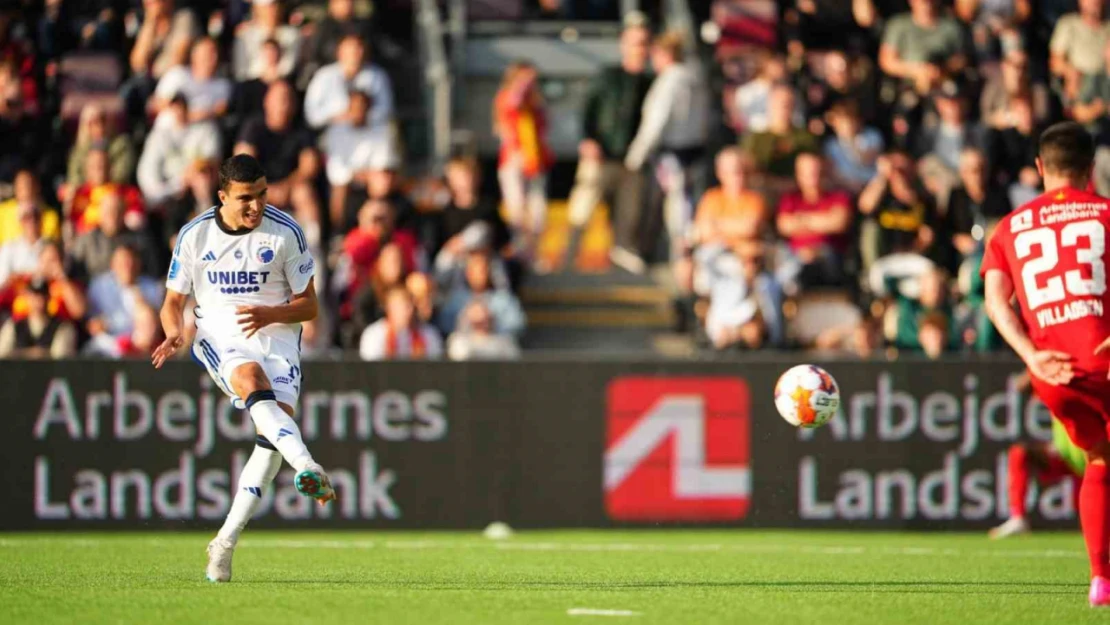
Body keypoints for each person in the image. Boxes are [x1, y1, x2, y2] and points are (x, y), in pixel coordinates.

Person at [151, 155, 334, 583]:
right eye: (246, 199)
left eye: (262, 195)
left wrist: (272, 313)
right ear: (223, 197)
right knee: (251, 382)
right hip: (219, 334)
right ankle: (308, 466)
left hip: (278, 335)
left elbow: (309, 304)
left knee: (271, 438)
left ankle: (225, 543)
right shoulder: (195, 236)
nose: (256, 207)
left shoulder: (285, 231)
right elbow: (172, 304)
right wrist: (174, 332)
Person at [981, 121, 1110, 606]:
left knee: (1100, 458)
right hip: (1103, 359)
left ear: (1039, 169)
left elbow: (996, 302)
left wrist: (1030, 354)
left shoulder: (1009, 227)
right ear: (1091, 169)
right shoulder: (1105, 213)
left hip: (1052, 372)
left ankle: (1101, 579)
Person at [567, 20, 652, 270]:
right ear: (624, 45)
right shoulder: (608, 76)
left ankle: (621, 259)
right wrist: (588, 139)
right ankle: (570, 257)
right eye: (635, 43)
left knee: (629, 213)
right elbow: (587, 110)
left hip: (632, 159)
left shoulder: (650, 82)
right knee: (584, 205)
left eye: (644, 43)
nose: (640, 49)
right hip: (602, 155)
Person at [991, 413, 1085, 539]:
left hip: (1097, 458)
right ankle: (1018, 518)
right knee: (1019, 454)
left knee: (1092, 519)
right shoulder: (1052, 395)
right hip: (1067, 456)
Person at [358, 286, 443, 360]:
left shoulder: (429, 334)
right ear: (389, 308)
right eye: (402, 306)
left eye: (410, 306)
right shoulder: (373, 334)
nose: (408, 311)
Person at [0, 277, 76, 358]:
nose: (38, 301)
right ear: (27, 297)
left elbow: (60, 357)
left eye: (42, 296)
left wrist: (19, 353)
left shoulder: (62, 327)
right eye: (34, 296)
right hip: (17, 370)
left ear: (48, 298)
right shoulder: (13, 326)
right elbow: (3, 355)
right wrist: (32, 353)